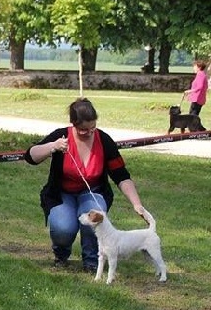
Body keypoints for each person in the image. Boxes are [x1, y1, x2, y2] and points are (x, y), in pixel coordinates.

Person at [23, 98, 145, 272]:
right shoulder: (61, 136)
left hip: (93, 192)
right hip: (62, 194)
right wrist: (53, 146)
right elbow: (30, 156)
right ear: (73, 124)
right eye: (83, 130)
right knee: (63, 229)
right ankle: (61, 254)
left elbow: (121, 176)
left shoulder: (104, 140)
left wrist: (137, 204)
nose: (89, 133)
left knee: (94, 221)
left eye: (92, 128)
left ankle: (91, 260)